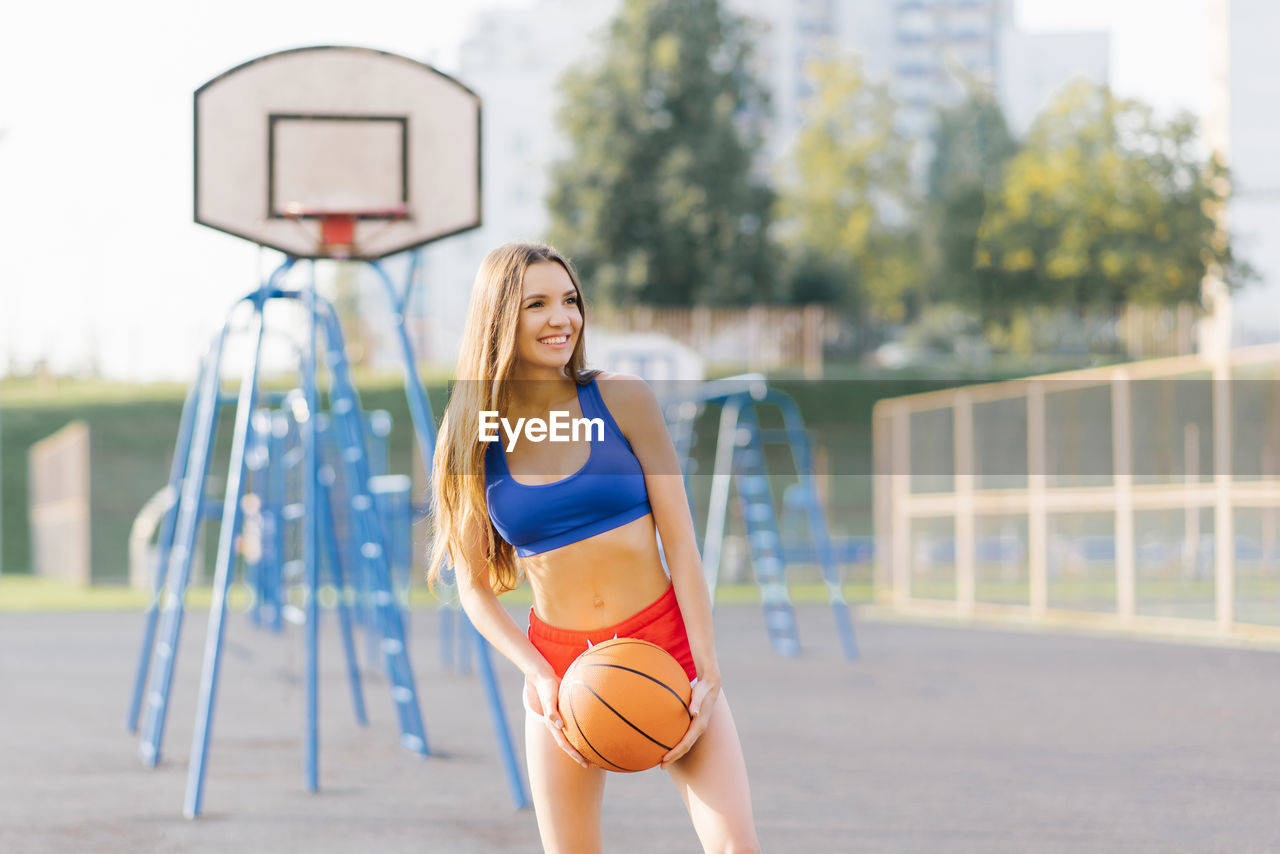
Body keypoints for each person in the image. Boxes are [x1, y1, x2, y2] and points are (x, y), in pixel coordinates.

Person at [427, 243, 760, 853]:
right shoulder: (470, 434)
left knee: (737, 848)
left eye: (570, 301)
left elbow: (682, 546)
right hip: (560, 669)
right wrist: (538, 673)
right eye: (537, 304)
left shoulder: (622, 398)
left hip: (668, 647)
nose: (563, 318)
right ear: (499, 317)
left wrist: (706, 667)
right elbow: (472, 587)